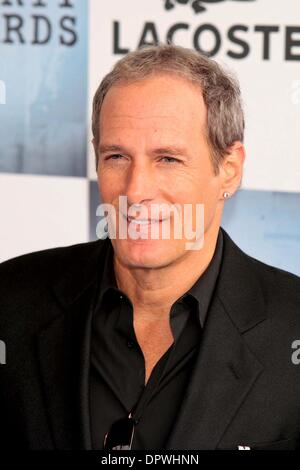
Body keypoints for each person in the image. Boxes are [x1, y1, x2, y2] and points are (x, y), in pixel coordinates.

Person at [0, 44, 299, 450]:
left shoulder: (292, 325)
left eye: (168, 159)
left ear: (229, 169)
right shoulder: (11, 300)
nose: (136, 190)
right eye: (117, 156)